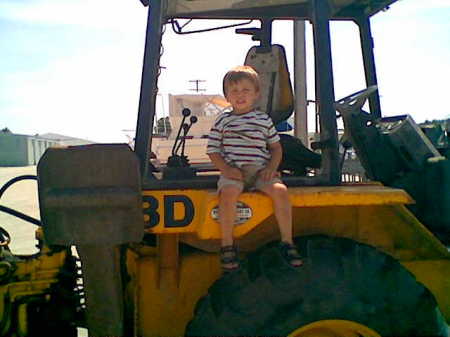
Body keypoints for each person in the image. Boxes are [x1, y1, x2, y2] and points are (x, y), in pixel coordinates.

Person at [206, 65, 303, 272]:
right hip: (234, 171)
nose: (240, 95)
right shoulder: (223, 121)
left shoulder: (263, 120)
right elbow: (213, 150)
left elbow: (276, 148)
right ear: (227, 96)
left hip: (260, 171)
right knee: (228, 192)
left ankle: (287, 242)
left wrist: (271, 168)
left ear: (256, 94)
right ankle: (227, 245)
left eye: (245, 90)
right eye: (234, 91)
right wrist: (226, 170)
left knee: (280, 191)